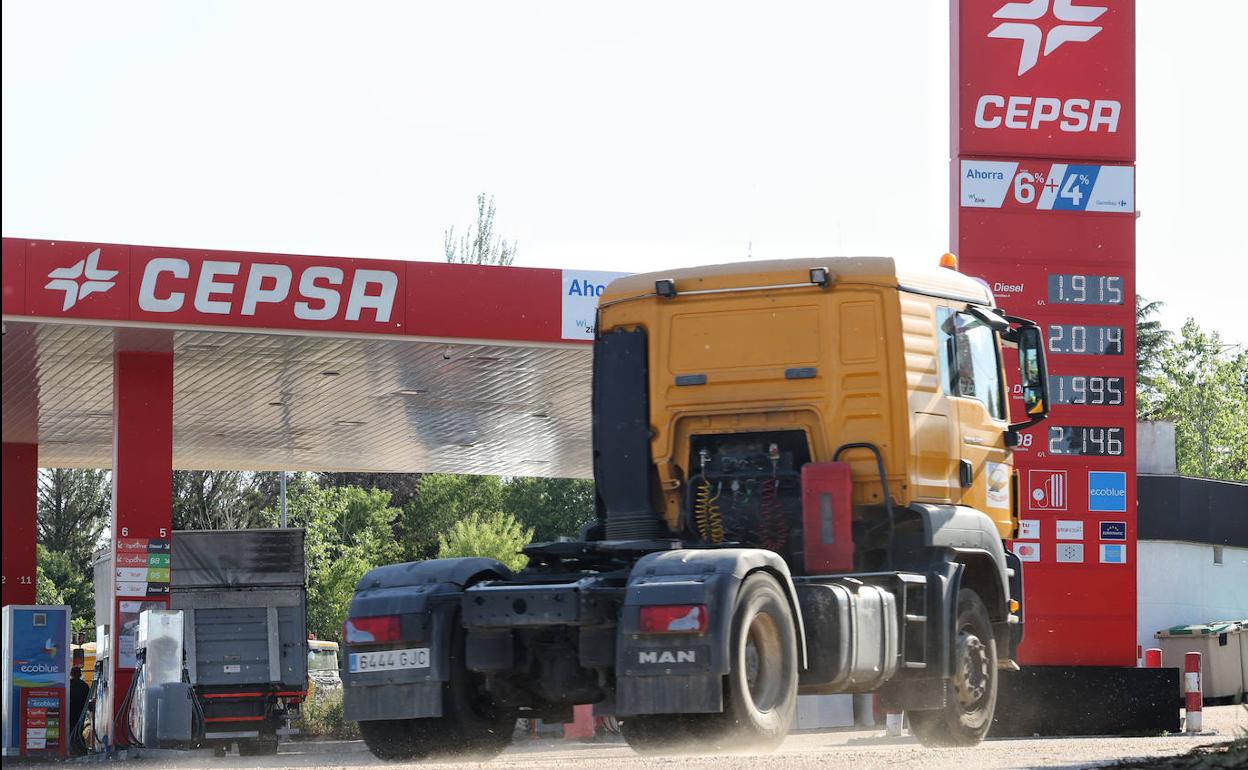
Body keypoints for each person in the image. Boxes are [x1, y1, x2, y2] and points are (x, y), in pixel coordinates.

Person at [69, 667, 90, 741]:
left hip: (69, 713)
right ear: (80, 675)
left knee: (69, 730)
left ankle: (71, 747)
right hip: (80, 713)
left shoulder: (67, 685)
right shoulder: (85, 686)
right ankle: (78, 747)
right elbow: (88, 700)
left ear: (71, 674)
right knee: (79, 731)